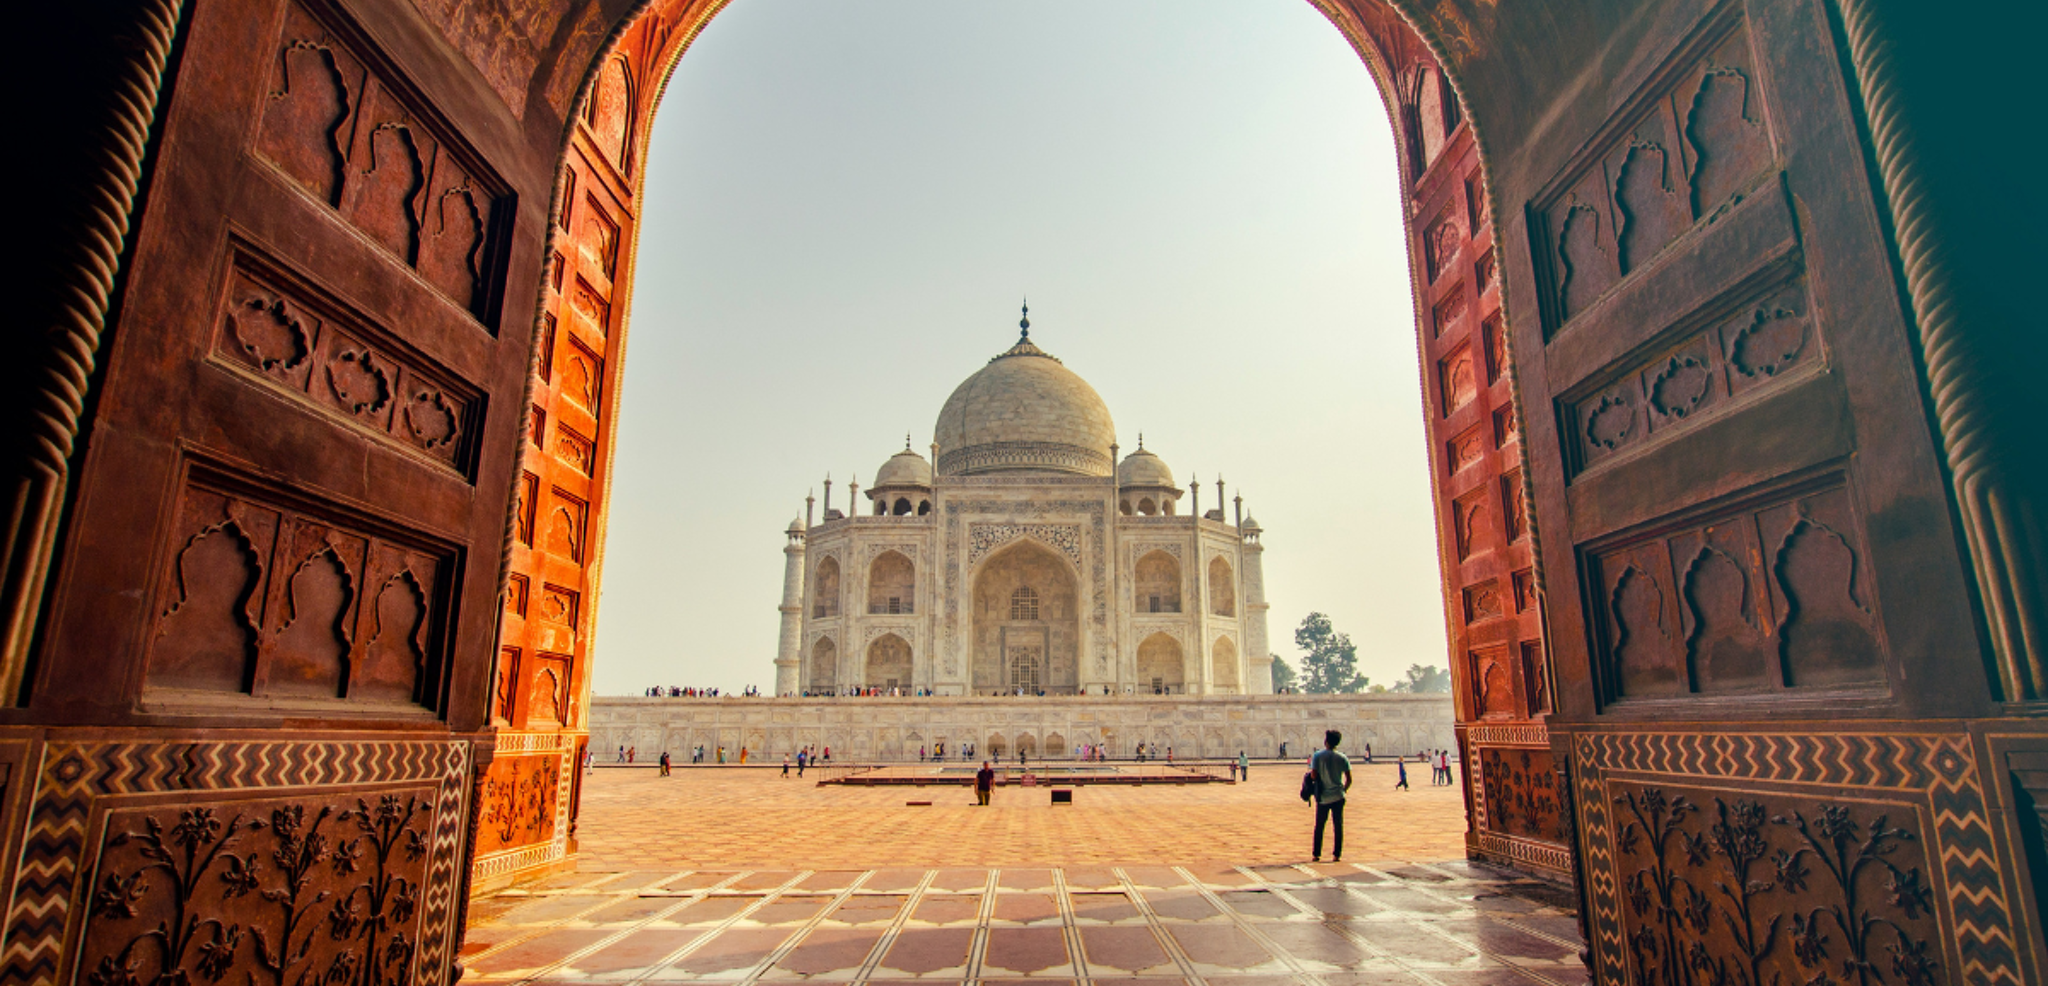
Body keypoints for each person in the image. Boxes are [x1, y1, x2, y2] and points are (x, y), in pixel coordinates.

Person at [1311, 729, 1353, 863]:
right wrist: (1343, 790)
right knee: (1338, 826)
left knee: (1319, 826)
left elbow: (1313, 775)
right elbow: (1349, 779)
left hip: (1323, 796)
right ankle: (1336, 855)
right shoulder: (1342, 757)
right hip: (1338, 797)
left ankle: (1316, 854)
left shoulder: (1318, 756)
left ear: (1326, 741)